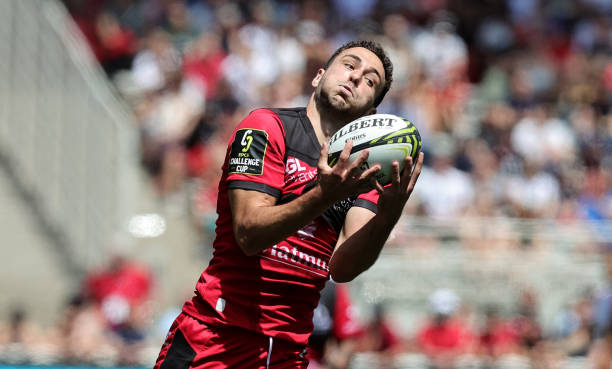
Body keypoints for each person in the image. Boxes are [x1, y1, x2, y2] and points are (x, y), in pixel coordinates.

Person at [154, 40, 424, 369]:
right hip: (217, 339)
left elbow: (343, 269)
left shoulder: (365, 171)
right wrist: (324, 195)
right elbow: (249, 234)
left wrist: (388, 215)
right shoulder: (266, 127)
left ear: (371, 114)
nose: (355, 78)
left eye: (370, 81)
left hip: (289, 353)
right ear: (318, 76)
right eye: (349, 65)